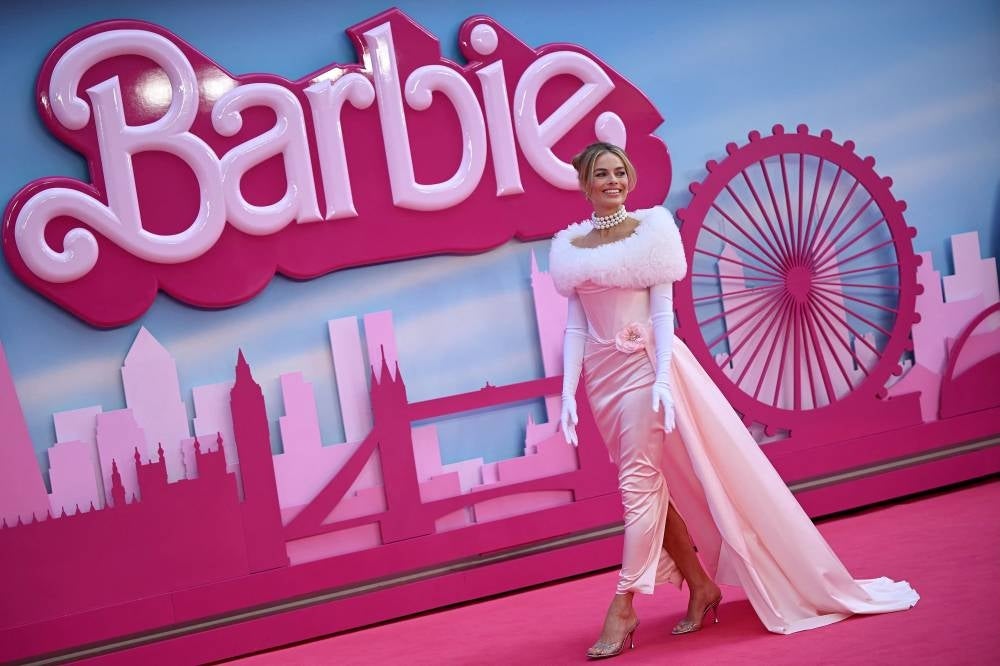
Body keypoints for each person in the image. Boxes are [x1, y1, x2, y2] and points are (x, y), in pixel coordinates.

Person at [547, 142, 919, 659]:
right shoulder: (569, 248)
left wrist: (659, 381)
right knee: (656, 486)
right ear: (584, 183)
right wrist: (567, 391)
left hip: (646, 372)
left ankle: (623, 605)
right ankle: (701, 585)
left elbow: (661, 316)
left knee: (638, 488)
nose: (612, 181)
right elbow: (574, 327)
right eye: (601, 174)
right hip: (601, 381)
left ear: (628, 179)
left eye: (619, 172)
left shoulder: (653, 232)